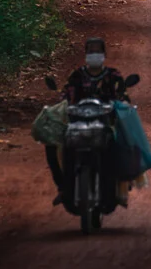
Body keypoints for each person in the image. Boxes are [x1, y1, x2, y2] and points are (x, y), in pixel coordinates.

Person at [45, 37, 125, 204]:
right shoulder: (77, 76)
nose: (94, 54)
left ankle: (118, 186)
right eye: (91, 51)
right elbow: (66, 95)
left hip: (104, 123)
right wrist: (63, 102)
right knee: (53, 144)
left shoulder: (113, 76)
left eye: (98, 51)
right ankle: (63, 186)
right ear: (86, 54)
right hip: (77, 123)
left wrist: (121, 103)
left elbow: (121, 95)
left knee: (120, 144)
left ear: (104, 54)